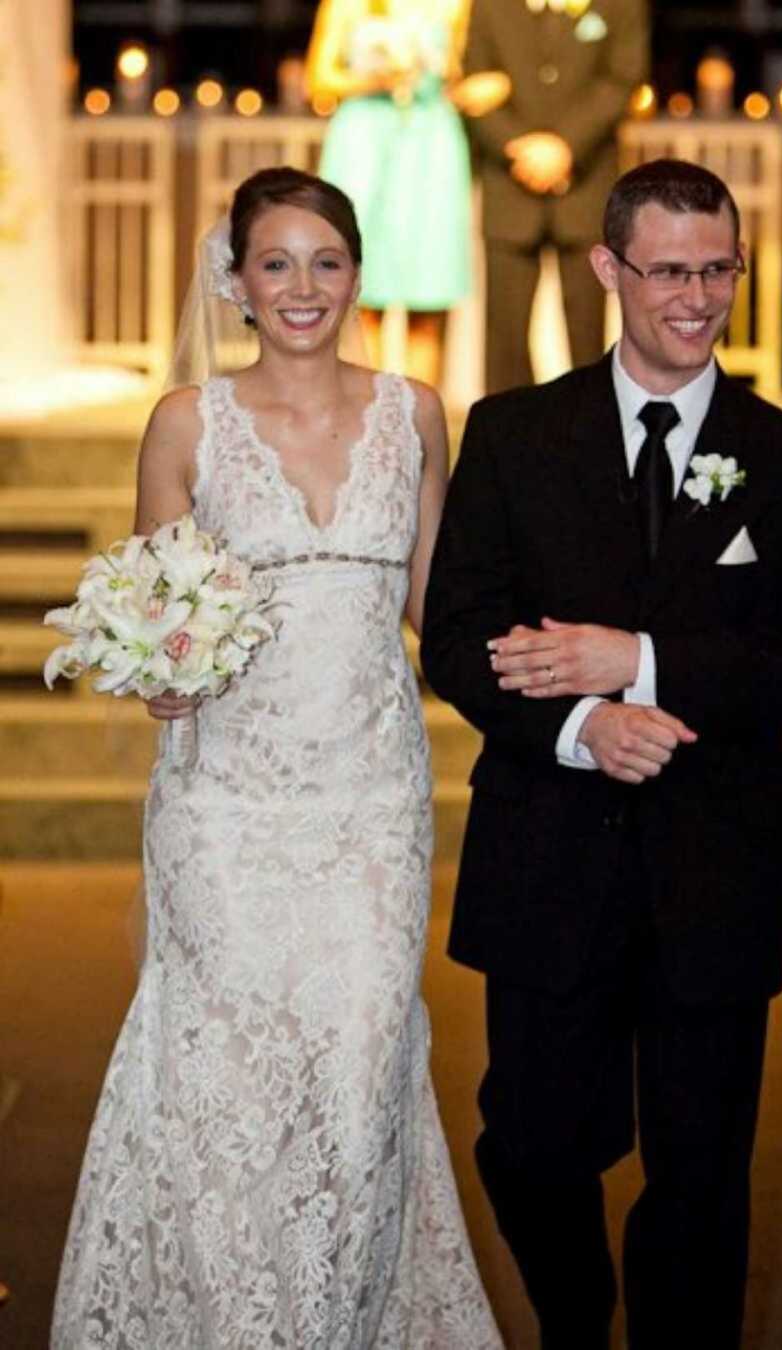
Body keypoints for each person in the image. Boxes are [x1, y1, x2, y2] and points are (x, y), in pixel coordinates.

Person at [52, 167, 503, 1350]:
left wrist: (568, 671)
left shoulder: (415, 413)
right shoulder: (186, 423)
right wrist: (156, 664)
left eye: (327, 262)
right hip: (224, 810)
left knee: (359, 1072)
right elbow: (155, 599)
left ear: (357, 273)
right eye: (276, 264)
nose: (302, 287)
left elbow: (433, 609)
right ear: (238, 281)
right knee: (226, 1085)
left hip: (368, 801)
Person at [420, 158, 782, 1349]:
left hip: (714, 870)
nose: (697, 297)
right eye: (669, 270)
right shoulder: (511, 436)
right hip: (545, 859)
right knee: (530, 1144)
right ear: (607, 267)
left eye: (717, 268)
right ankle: (577, 1322)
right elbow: (459, 639)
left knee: (703, 1178)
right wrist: (578, 727)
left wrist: (646, 663)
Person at [461, 0, 649, 393]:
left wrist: (565, 146)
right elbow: (473, 83)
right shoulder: (489, 6)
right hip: (509, 185)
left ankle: (590, 442)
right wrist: (519, 147)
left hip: (586, 185)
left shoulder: (620, 6)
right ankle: (510, 446)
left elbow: (623, 78)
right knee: (504, 337)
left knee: (587, 334)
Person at [307, 0, 472, 386]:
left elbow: (462, 71)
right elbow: (319, 78)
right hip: (364, 142)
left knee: (429, 296)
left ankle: (419, 422)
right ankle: (369, 420)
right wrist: (375, 80)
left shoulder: (456, 5)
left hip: (429, 139)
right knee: (364, 293)